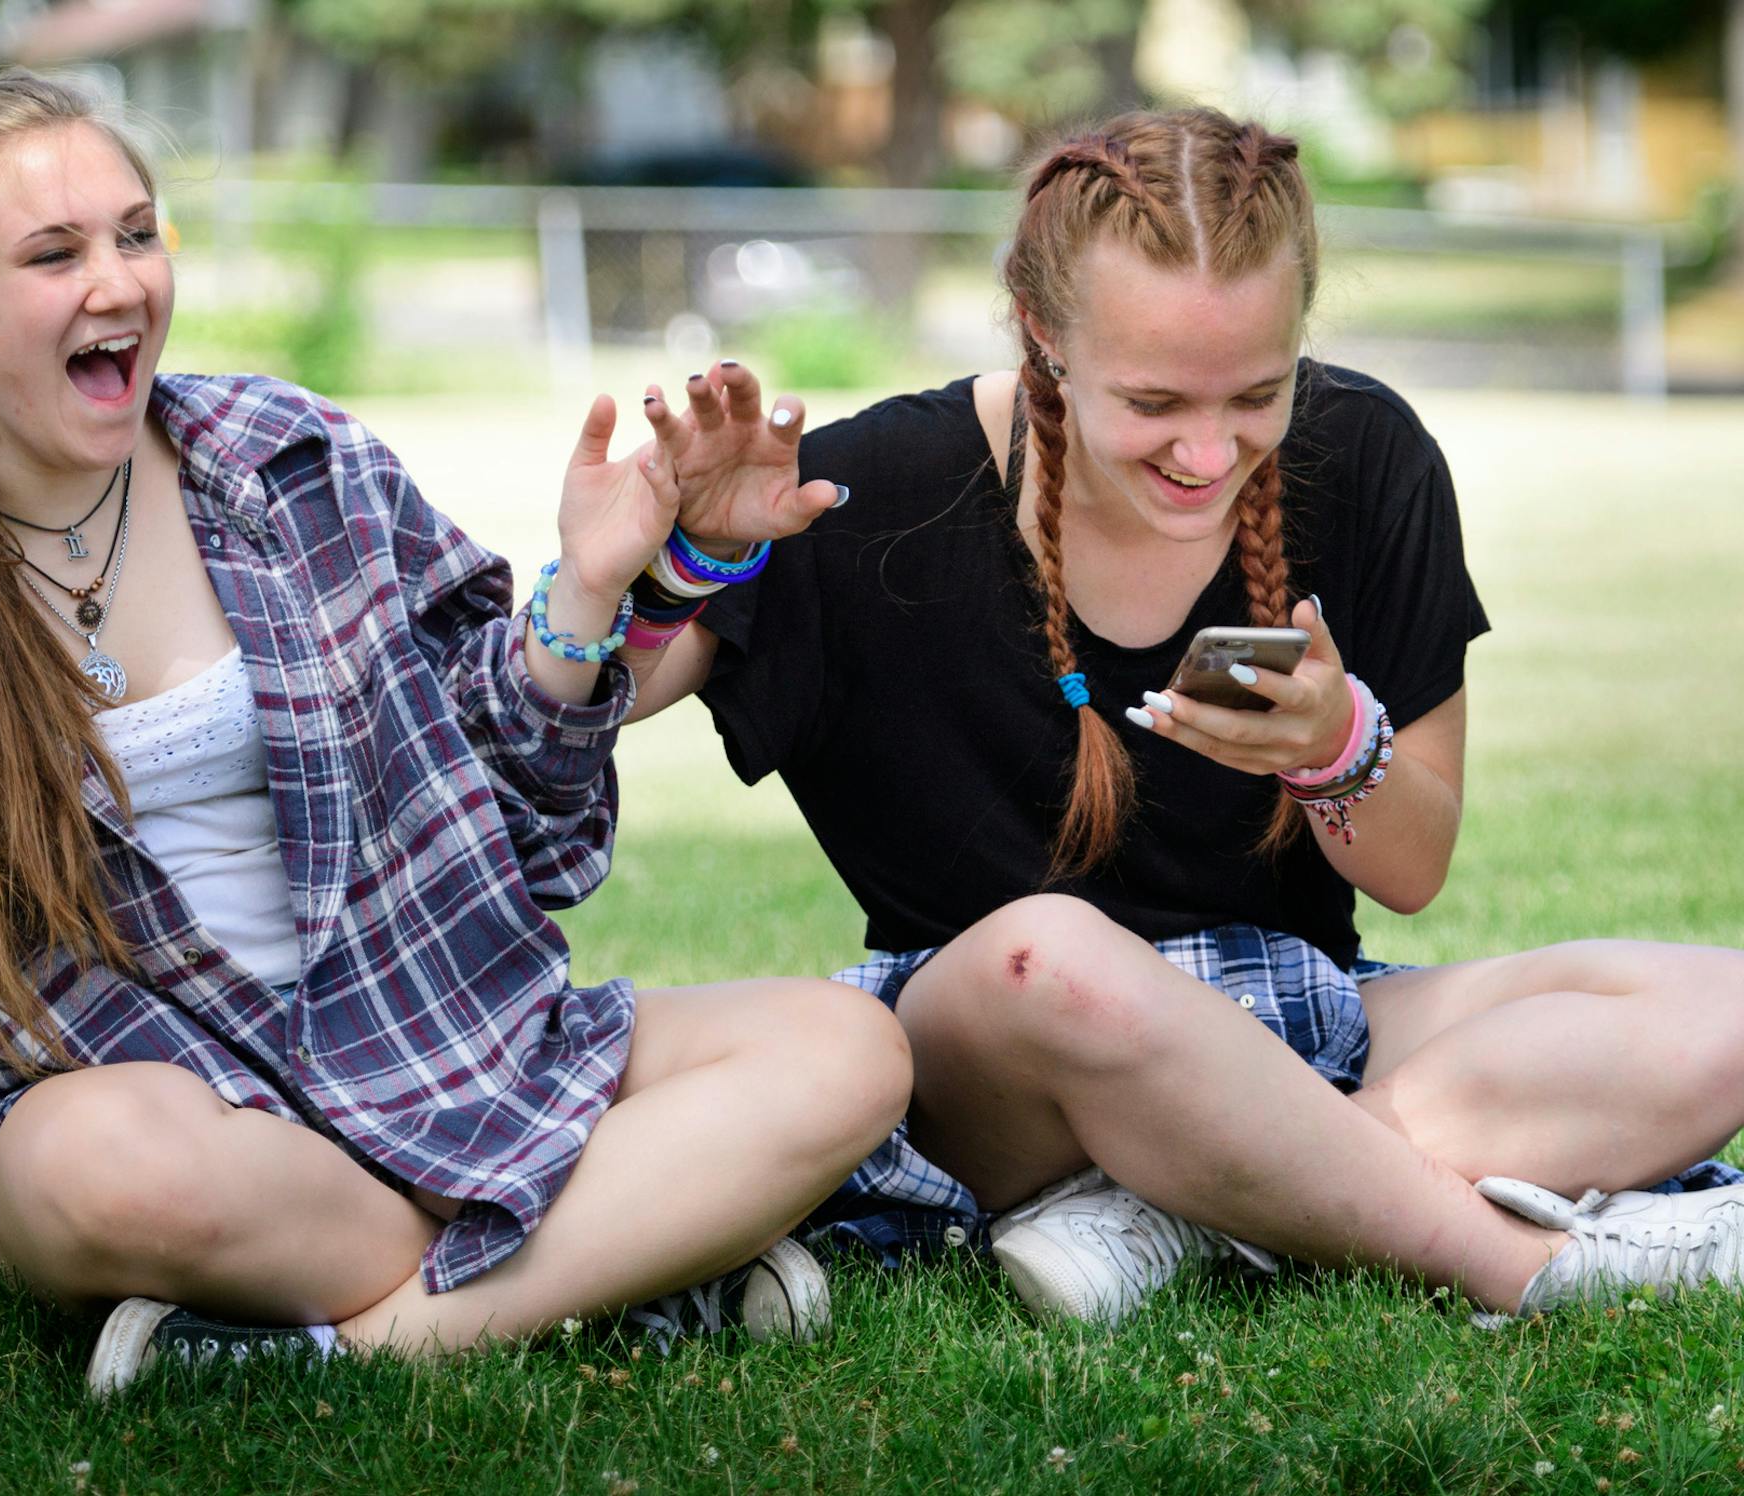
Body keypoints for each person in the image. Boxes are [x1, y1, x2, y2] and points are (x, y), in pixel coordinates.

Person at [0, 71, 912, 1393]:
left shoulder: (289, 459)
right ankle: (637, 1251)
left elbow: (510, 813)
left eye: (137, 233)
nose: (120, 283)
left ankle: (363, 1336)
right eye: (55, 254)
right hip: (178, 1114)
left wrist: (593, 590)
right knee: (76, 1174)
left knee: (847, 1049)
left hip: (451, 1036)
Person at [610, 106, 1744, 1326]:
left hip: (1286, 1011)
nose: (1210, 453)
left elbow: (1412, 869)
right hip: (1001, 1053)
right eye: (1154, 401)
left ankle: (1173, 1211)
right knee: (1058, 955)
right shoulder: (871, 488)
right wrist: (690, 560)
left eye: (1257, 393)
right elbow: (603, 697)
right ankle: (1516, 1263)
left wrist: (1334, 749)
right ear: (1044, 333)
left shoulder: (1366, 454)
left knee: (1719, 1014)